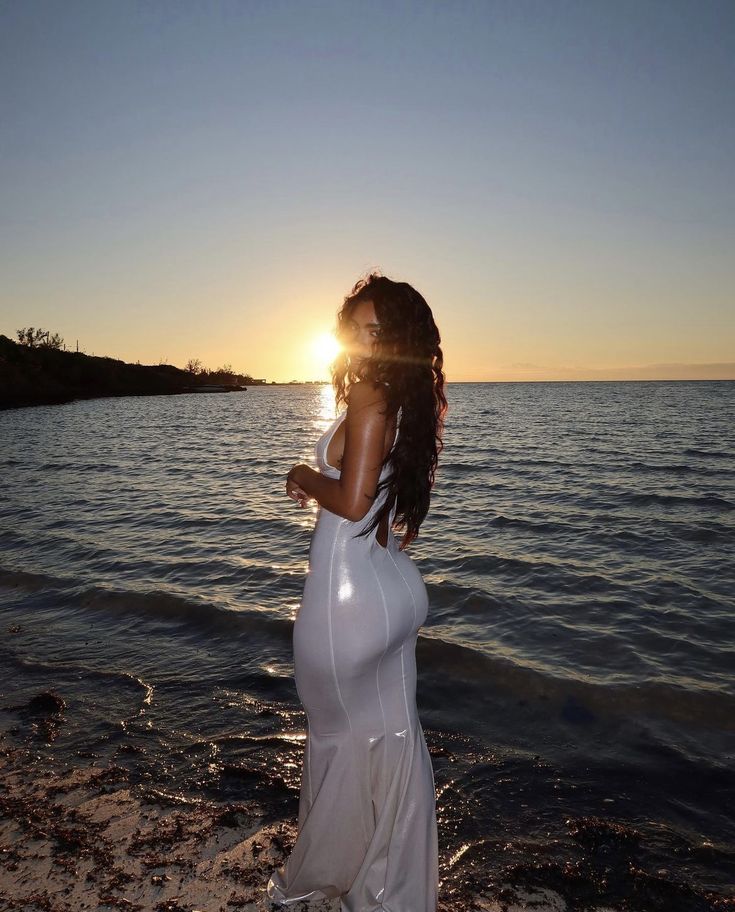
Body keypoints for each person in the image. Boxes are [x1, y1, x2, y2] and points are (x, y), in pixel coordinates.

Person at [267, 272, 447, 912]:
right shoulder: (403, 400)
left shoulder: (372, 394)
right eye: (356, 328)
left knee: (337, 738)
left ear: (397, 337)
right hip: (389, 584)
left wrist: (302, 475)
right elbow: (381, 506)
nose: (363, 340)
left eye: (376, 330)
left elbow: (352, 500)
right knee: (392, 740)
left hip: (350, 597)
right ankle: (392, 888)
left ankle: (338, 877)